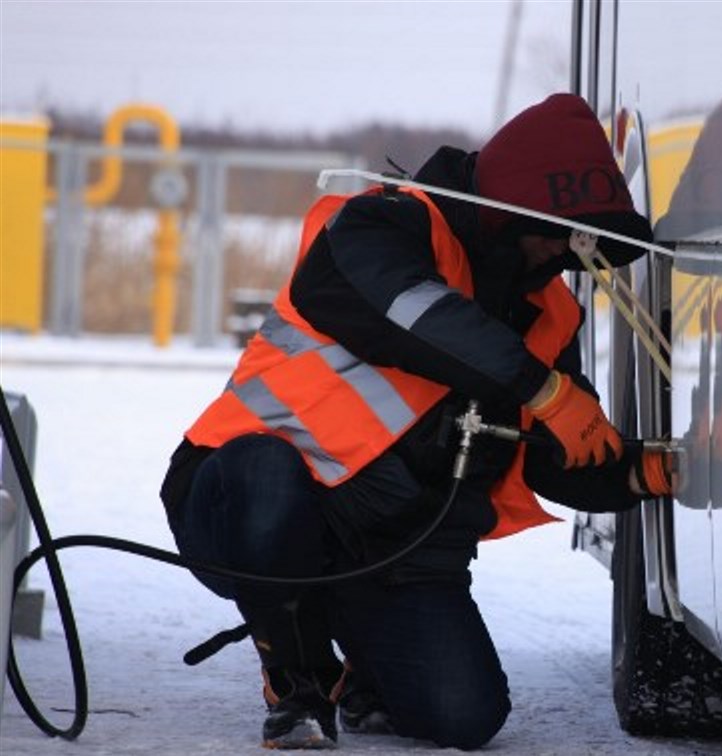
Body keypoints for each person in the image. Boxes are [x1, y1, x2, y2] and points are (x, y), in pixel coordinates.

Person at [159, 93, 674, 751]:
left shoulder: (547, 316)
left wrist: (651, 469)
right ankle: (297, 680)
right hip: (242, 508)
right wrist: (542, 389)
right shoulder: (379, 227)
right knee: (266, 475)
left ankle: (365, 664)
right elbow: (418, 315)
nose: (562, 255)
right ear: (507, 213)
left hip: (393, 555)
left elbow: (554, 457)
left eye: (579, 241)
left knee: (464, 715)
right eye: (556, 230)